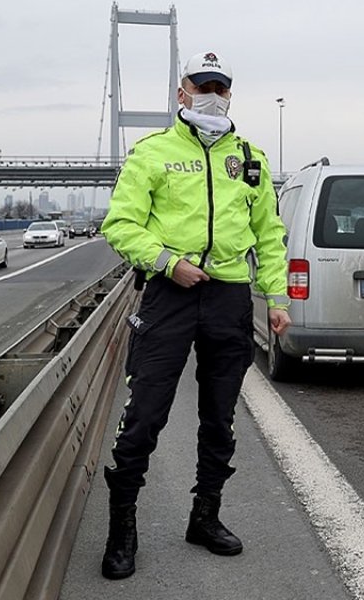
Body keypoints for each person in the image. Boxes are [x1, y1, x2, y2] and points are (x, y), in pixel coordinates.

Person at [98, 51, 292, 579]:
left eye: (221, 87)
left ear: (230, 94)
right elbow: (120, 224)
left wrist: (276, 298)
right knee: (145, 414)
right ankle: (122, 530)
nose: (211, 93)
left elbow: (269, 234)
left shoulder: (250, 157)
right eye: (201, 85)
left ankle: (205, 517)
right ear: (180, 92)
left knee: (220, 417)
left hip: (229, 297)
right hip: (170, 294)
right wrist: (168, 262)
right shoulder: (152, 152)